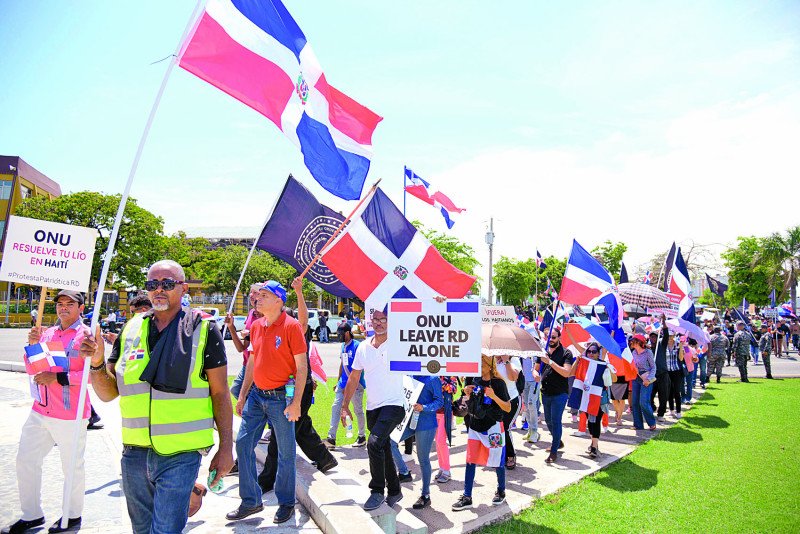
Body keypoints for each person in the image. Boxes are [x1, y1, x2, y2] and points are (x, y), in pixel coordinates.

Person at [87, 260, 233, 534]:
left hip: (181, 454)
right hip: (134, 453)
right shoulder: (130, 330)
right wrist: (96, 362)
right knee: (142, 530)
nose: (159, 290)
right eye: (152, 285)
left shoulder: (204, 330)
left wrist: (226, 447)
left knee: (165, 530)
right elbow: (108, 393)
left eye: (167, 284)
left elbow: (220, 393)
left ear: (184, 288)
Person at [3, 290, 94, 534]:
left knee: (72, 467)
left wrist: (57, 378)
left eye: (70, 304)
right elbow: (33, 367)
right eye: (60, 304)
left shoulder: (86, 335)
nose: (64, 307)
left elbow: (89, 376)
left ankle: (72, 516)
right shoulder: (48, 333)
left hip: (70, 414)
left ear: (81, 308)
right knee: (25, 460)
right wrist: (32, 345)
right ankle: (32, 515)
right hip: (40, 410)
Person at [230, 280, 306, 524]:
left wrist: (296, 402)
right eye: (258, 295)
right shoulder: (257, 326)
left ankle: (286, 503)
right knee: (242, 445)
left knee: (285, 453)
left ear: (278, 300)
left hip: (281, 398)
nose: (257, 299)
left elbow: (302, 367)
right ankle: (251, 501)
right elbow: (251, 362)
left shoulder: (291, 326)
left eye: (264, 295)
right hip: (256, 396)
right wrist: (242, 395)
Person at [257, 278, 337, 493]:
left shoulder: (294, 329)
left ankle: (266, 480)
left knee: (280, 433)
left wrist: (299, 292)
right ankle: (325, 459)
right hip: (283, 389)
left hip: (297, 388)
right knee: (300, 427)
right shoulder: (270, 328)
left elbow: (302, 320)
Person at [341, 308, 406, 511]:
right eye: (375, 319)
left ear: (390, 321)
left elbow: (424, 328)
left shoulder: (400, 342)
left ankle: (377, 490)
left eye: (383, 319)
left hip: (395, 405)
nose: (379, 323)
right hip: (373, 407)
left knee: (374, 443)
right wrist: (344, 406)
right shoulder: (363, 348)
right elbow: (353, 377)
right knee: (383, 447)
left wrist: (438, 303)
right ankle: (395, 490)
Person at [452, 354, 511, 511]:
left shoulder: (498, 383)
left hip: (494, 428)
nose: (477, 366)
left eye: (480, 363)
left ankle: (501, 490)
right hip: (475, 426)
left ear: (489, 365)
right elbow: (470, 401)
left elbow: (507, 407)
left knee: (497, 460)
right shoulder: (473, 379)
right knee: (470, 460)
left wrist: (494, 396)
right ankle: (467, 496)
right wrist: (466, 392)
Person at [390, 375, 443, 509]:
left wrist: (424, 407)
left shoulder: (433, 379)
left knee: (423, 459)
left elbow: (439, 402)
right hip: (410, 422)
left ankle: (425, 495)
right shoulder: (409, 376)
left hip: (426, 424)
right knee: (390, 441)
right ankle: (404, 472)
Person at [325, 325, 367, 448]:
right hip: (342, 384)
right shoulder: (343, 346)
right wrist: (338, 381)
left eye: (340, 333)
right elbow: (342, 364)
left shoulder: (357, 346)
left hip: (356, 384)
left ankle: (361, 436)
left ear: (347, 332)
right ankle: (331, 438)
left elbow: (362, 367)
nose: (338, 336)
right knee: (336, 407)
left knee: (357, 410)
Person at [571, 342, 615, 458]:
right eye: (589, 351)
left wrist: (608, 369)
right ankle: (594, 444)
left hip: (599, 399)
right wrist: (578, 360)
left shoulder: (603, 365)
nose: (591, 354)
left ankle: (594, 447)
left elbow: (613, 379)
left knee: (595, 421)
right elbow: (572, 373)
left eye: (594, 352)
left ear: (598, 353)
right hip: (586, 397)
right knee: (591, 421)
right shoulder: (584, 363)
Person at [539, 327, 574, 464]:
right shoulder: (543, 351)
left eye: (553, 337)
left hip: (560, 393)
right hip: (546, 392)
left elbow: (566, 372)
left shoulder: (566, 353)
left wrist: (550, 362)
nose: (550, 340)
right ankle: (558, 441)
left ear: (559, 337)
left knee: (555, 420)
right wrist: (536, 373)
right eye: (548, 337)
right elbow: (536, 369)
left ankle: (554, 452)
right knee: (548, 420)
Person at [495, 355, 522, 470]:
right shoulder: (491, 359)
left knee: (505, 427)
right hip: (496, 400)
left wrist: (506, 361)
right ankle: (498, 455)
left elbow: (513, 377)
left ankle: (510, 455)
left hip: (511, 399)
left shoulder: (513, 359)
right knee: (495, 428)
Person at [630, 334, 657, 431]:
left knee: (644, 402)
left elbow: (653, 367)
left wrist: (649, 379)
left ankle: (651, 423)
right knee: (635, 402)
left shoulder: (648, 352)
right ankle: (638, 425)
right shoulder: (633, 352)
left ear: (638, 342)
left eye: (633, 341)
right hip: (636, 377)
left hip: (646, 377)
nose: (631, 342)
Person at [434, 376, 457, 483]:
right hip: (434, 411)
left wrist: (441, 383)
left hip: (445, 412)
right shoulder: (431, 373)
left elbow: (453, 388)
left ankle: (447, 470)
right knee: (437, 442)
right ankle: (442, 468)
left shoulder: (450, 374)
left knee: (440, 441)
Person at [648, 322, 670, 422]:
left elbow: (666, 335)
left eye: (655, 337)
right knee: (650, 395)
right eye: (651, 337)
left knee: (663, 395)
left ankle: (661, 414)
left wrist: (664, 323)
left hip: (662, 374)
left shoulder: (661, 345)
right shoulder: (647, 349)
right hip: (652, 375)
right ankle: (652, 408)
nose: (653, 339)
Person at [520, 356, 541, 442]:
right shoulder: (521, 352)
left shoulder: (538, 351)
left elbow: (539, 365)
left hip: (534, 382)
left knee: (531, 404)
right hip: (524, 381)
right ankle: (530, 430)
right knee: (527, 407)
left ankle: (534, 431)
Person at [664, 334, 684, 419]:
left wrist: (681, 348)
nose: (670, 338)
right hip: (667, 371)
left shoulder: (678, 344)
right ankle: (671, 410)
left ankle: (678, 411)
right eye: (668, 336)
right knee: (669, 391)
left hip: (676, 370)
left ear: (674, 335)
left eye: (671, 336)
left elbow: (681, 358)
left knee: (677, 391)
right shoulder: (663, 344)